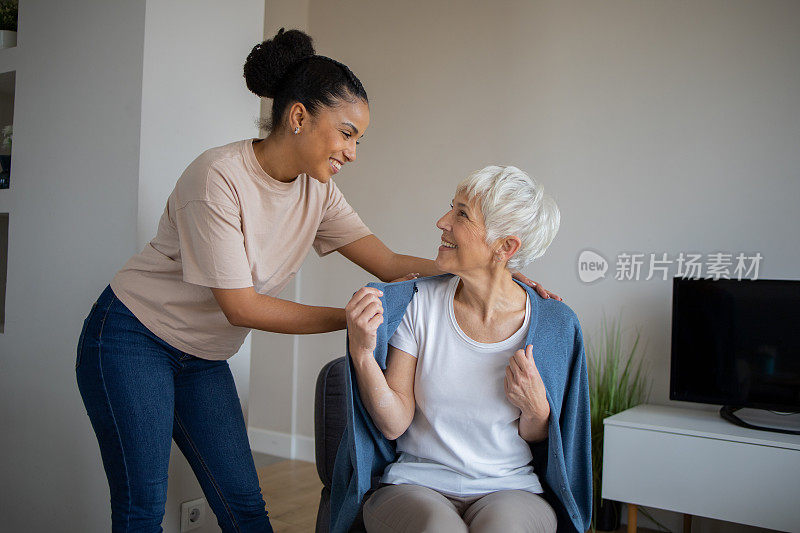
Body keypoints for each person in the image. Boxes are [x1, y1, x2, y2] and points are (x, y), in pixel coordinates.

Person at [75, 30, 558, 533]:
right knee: (142, 507)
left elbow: (389, 262)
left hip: (203, 357)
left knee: (243, 506)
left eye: (358, 139)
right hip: (134, 337)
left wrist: (491, 271)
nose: (352, 152)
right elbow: (241, 307)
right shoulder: (217, 178)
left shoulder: (318, 192)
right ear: (299, 116)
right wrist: (350, 322)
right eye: (347, 133)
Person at [341, 165, 591, 533]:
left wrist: (537, 410)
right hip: (416, 485)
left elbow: (542, 439)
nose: (442, 221)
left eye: (461, 214)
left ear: (505, 246)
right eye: (451, 208)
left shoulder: (556, 325)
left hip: (511, 490)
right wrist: (363, 355)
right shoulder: (419, 304)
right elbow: (394, 424)